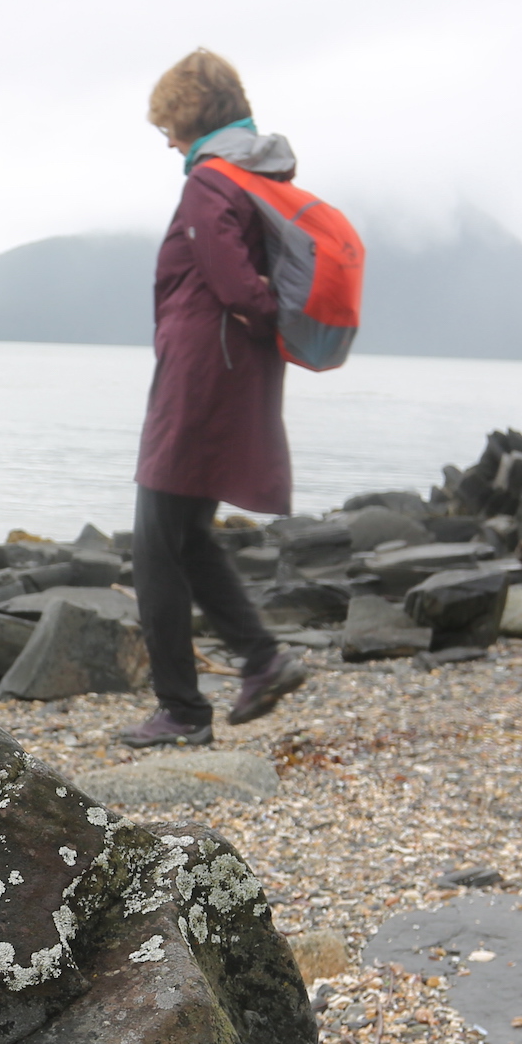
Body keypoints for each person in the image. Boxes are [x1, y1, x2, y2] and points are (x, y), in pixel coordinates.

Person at [119, 49, 309, 748]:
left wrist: (242, 325)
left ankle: (182, 711)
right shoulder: (253, 174)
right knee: (188, 536)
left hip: (201, 376)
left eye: (167, 127)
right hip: (232, 371)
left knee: (154, 545)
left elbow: (235, 286)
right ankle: (261, 660)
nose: (168, 143)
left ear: (189, 118)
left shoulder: (209, 181)